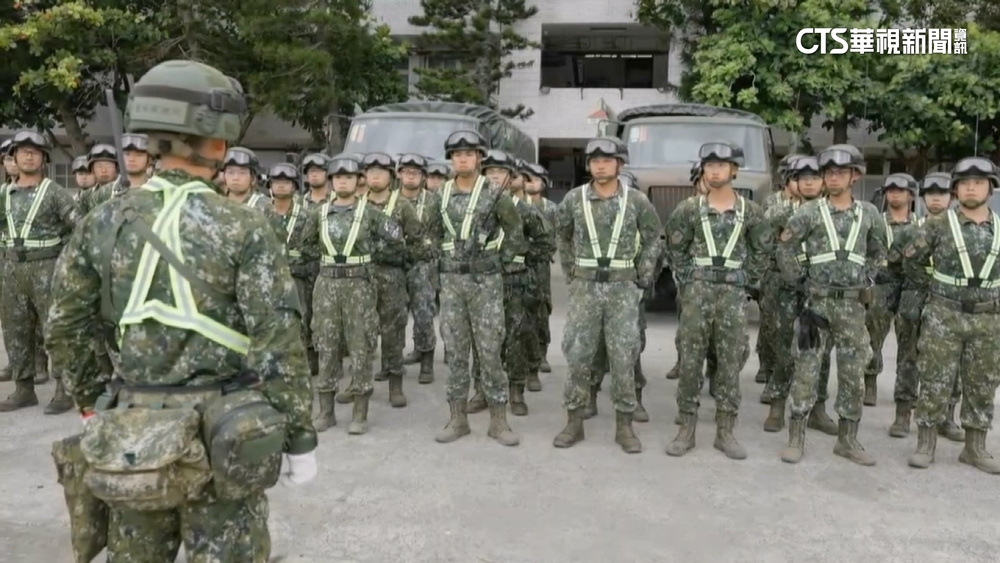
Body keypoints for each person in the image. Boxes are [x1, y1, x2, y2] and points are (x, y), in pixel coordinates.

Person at [45, 60, 318, 562]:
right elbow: (279, 341)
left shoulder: (102, 220)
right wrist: (300, 435)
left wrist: (90, 404)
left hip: (131, 436)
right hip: (222, 438)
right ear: (218, 142)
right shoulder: (244, 226)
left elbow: (64, 326)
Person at [776, 144, 886, 466]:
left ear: (855, 175)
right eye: (829, 172)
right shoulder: (808, 213)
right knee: (807, 370)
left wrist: (867, 278)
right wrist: (800, 280)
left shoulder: (869, 214)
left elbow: (880, 250)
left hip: (853, 308)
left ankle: (847, 440)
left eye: (841, 172)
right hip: (818, 306)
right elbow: (785, 249)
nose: (834, 177)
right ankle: (796, 438)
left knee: (853, 373)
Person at [552, 137, 662, 453]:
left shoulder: (637, 200)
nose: (600, 164)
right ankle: (574, 421)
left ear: (620, 164)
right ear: (588, 165)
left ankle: (624, 426)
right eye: (594, 160)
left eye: (607, 159)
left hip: (622, 287)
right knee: (578, 352)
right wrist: (571, 271)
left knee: (624, 354)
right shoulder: (574, 200)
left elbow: (654, 238)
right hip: (586, 286)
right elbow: (563, 235)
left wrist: (642, 275)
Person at [665, 142, 770, 460]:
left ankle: (726, 431)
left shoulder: (750, 212)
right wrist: (689, 281)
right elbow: (676, 249)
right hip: (698, 294)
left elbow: (762, 250)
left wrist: (745, 282)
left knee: (729, 362)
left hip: (732, 296)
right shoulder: (688, 209)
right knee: (690, 360)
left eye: (721, 165)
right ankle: (686, 429)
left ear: (734, 170)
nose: (714, 170)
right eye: (709, 165)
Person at [900, 158, 1000, 473]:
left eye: (979, 182)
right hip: (944, 315)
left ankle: (975, 447)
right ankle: (925, 444)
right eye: (965, 182)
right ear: (955, 189)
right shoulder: (938, 224)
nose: (972, 187)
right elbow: (912, 261)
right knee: (934, 379)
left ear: (991, 188)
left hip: (987, 319)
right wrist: (936, 290)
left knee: (982, 383)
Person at [424, 130, 524, 446]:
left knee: (490, 350)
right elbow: (429, 233)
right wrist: (442, 259)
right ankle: (457, 419)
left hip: (486, 283)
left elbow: (515, 233)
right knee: (455, 351)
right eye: (456, 154)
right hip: (452, 283)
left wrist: (498, 261)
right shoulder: (440, 196)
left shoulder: (495, 193)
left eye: (469, 153)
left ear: (479, 158)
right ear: (451, 160)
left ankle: (498, 421)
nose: (463, 158)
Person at [305, 155, 405, 433]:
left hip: (359, 285)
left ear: (357, 180)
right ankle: (326, 411)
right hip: (326, 286)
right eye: (338, 178)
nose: (343, 181)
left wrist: (374, 258)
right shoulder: (318, 213)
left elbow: (398, 239)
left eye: (348, 177)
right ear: (331, 181)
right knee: (326, 345)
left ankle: (360, 413)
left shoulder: (370, 213)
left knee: (360, 345)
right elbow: (303, 245)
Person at [0, 131, 80, 413]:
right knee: (15, 328)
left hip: (47, 267)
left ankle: (63, 389)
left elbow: (79, 229)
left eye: (35, 151)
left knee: (54, 329)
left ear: (44, 158)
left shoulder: (55, 193)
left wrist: (64, 261)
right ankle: (23, 389)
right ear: (14, 157)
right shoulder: (4, 194)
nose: (29, 155)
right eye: (23, 151)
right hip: (12, 269)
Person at [467, 152, 551, 416]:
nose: (493, 176)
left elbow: (546, 242)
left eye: (500, 172)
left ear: (511, 178)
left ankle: (516, 391)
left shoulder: (524, 209)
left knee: (515, 337)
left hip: (514, 281)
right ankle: (482, 390)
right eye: (489, 171)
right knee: (482, 339)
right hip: (482, 281)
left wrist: (522, 260)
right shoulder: (475, 206)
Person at [760, 156, 837, 434]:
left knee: (821, 351)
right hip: (786, 289)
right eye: (802, 178)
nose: (808, 182)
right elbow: (762, 240)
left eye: (814, 177)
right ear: (793, 181)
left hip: (820, 292)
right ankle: (777, 407)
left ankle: (818, 409)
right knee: (783, 347)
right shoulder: (780, 212)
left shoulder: (833, 213)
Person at [359, 152, 429, 408]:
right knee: (361, 332)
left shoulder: (402, 206)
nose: (375, 176)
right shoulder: (357, 204)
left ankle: (395, 384)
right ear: (364, 176)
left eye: (381, 171)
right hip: (361, 276)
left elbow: (420, 243)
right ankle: (358, 384)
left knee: (393, 331)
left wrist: (402, 260)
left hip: (392, 276)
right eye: (370, 171)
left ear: (391, 176)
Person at [268, 163, 319, 375]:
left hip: (299, 278)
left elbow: (315, 249)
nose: (280, 186)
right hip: (269, 278)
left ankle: (303, 364)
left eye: (286, 182)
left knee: (301, 321)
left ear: (294, 187)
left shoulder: (306, 216)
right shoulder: (261, 213)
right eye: (276, 182)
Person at [398, 153, 442, 384]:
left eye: (415, 173)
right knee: (394, 316)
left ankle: (426, 360)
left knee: (424, 314)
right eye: (407, 172)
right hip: (395, 265)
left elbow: (441, 233)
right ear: (399, 174)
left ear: (423, 177)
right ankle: (392, 362)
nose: (411, 176)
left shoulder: (434, 201)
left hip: (423, 266)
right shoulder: (391, 200)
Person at [523, 162, 558, 388]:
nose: (532, 183)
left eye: (536, 179)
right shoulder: (516, 205)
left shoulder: (552, 209)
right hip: (521, 264)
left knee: (542, 307)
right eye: (528, 179)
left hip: (542, 265)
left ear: (543, 184)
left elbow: (556, 237)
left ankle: (542, 351)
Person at [87, 133, 152, 207]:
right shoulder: (103, 194)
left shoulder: (158, 190)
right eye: (127, 154)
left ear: (149, 159)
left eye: (138, 155)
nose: (131, 159)